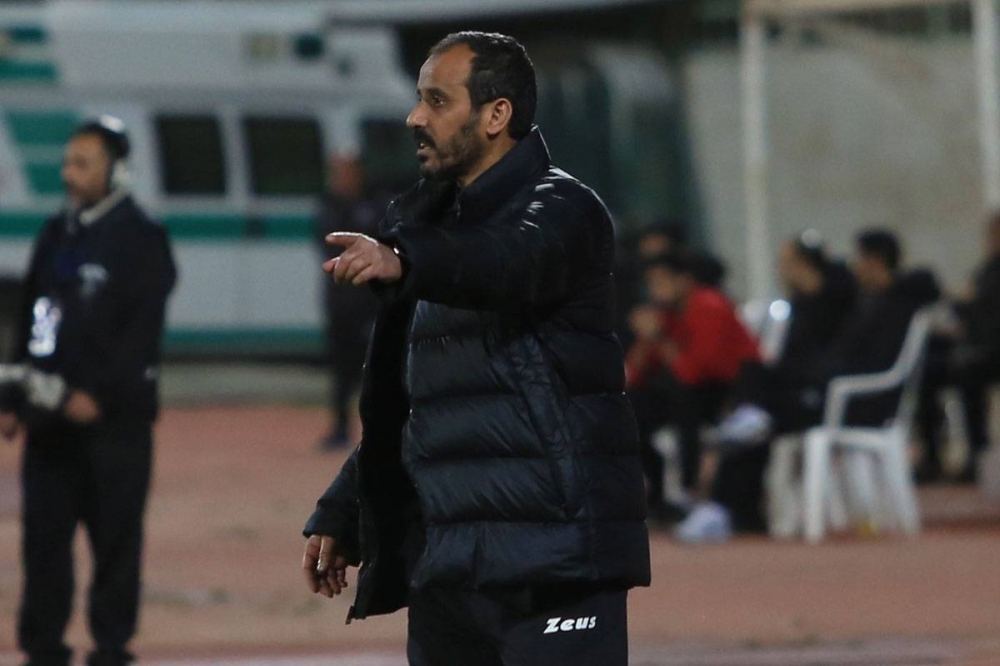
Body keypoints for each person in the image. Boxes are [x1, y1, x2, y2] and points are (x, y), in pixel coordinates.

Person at [300, 32, 649, 666]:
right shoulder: (429, 232)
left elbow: (503, 262)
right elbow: (421, 403)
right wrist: (348, 504)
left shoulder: (563, 209)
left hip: (554, 560)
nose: (415, 117)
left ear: (496, 115)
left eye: (437, 100)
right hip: (450, 565)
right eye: (418, 99)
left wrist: (405, 259)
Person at [0, 117, 177, 666]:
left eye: (82, 163)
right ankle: (43, 649)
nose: (68, 173)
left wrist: (97, 395)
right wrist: (12, 398)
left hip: (115, 429)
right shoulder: (56, 233)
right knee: (43, 548)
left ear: (116, 170)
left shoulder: (142, 239)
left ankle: (110, 649)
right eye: (67, 162)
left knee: (115, 547)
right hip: (50, 425)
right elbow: (31, 317)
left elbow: (140, 333)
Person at [685, 229, 938, 542]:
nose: (855, 266)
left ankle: (728, 506)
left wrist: (813, 377)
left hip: (854, 404)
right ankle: (731, 505)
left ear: (875, 261)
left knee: (758, 413)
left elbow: (865, 364)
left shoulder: (892, 307)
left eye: (860, 259)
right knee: (754, 410)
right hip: (835, 392)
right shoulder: (868, 302)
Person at [676, 231, 857, 542]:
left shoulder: (839, 305)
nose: (779, 269)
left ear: (803, 265)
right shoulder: (800, 304)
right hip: (797, 392)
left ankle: (723, 508)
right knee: (748, 425)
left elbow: (826, 362)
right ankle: (734, 510)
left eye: (784, 262)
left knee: (751, 411)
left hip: (823, 398)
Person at [624, 252, 759, 523]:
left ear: (684, 280)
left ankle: (690, 491)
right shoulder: (666, 313)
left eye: (660, 282)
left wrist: (659, 336)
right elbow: (635, 374)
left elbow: (695, 372)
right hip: (688, 391)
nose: (655, 291)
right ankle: (657, 497)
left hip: (730, 392)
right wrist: (646, 339)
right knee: (630, 409)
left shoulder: (709, 306)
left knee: (683, 400)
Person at [918, 212, 1000, 482]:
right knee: (928, 369)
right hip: (980, 346)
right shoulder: (987, 269)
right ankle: (932, 454)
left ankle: (977, 454)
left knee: (968, 371)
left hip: (989, 352)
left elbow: (982, 309)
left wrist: (966, 303)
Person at [313, 154, 385, 450]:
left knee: (377, 370)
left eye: (348, 171)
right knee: (341, 371)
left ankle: (381, 431)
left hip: (372, 303)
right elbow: (327, 245)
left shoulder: (377, 204)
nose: (343, 178)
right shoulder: (328, 206)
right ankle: (341, 428)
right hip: (342, 303)